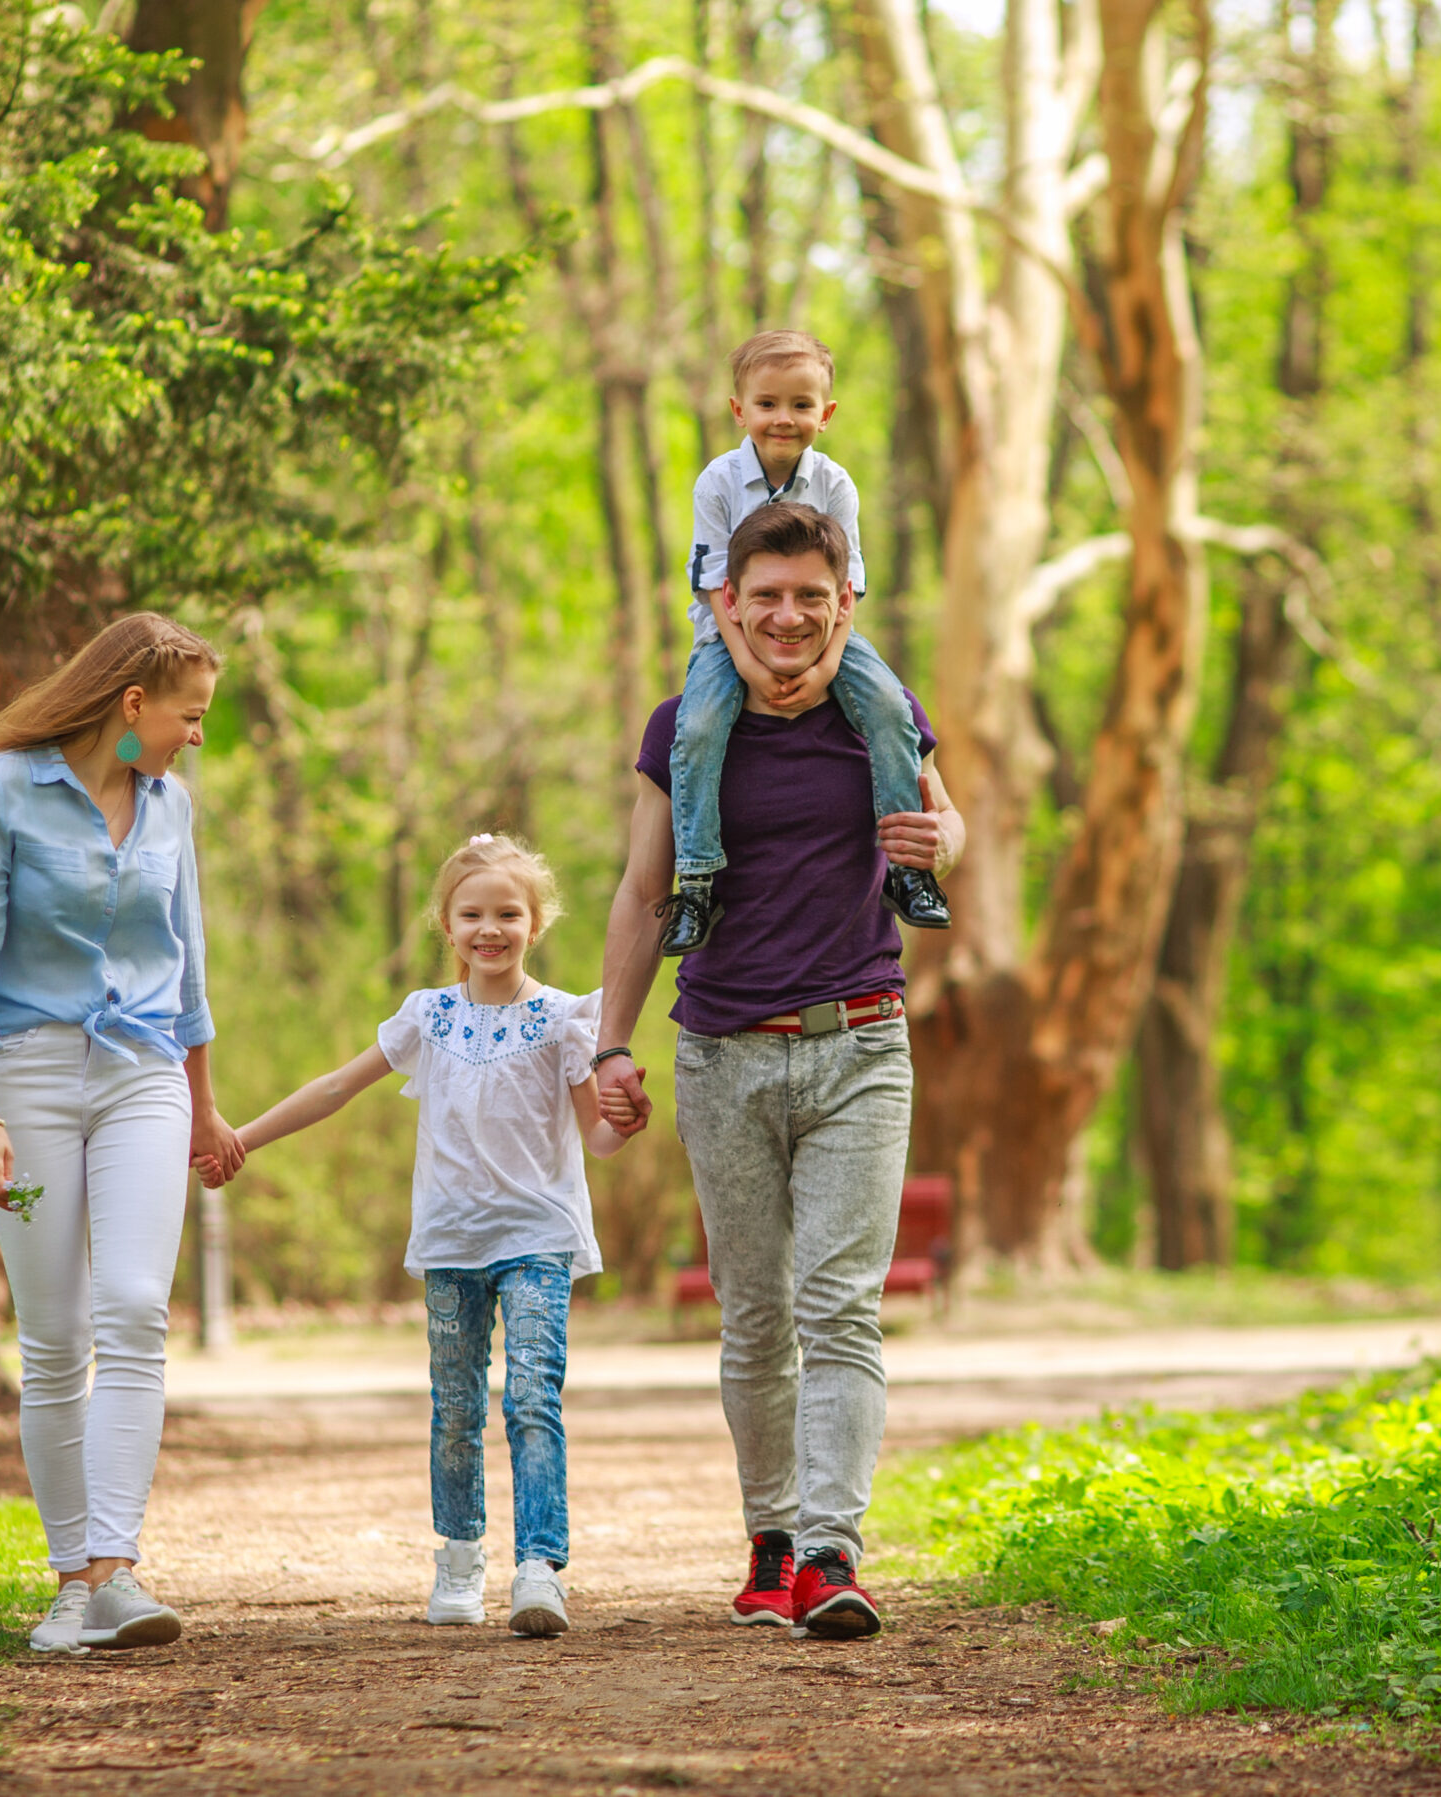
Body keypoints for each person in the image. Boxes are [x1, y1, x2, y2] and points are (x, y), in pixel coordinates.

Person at [595, 502, 965, 1641]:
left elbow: (949, 828)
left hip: (859, 1041)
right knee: (757, 1321)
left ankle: (830, 1553)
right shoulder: (683, 729)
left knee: (841, 1311)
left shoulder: (884, 714)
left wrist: (939, 843)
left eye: (812, 595)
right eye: (768, 597)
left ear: (843, 601)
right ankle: (770, 1533)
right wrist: (610, 1042)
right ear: (728, 605)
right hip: (721, 1054)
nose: (790, 616)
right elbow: (643, 891)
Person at [197, 833, 640, 1636]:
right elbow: (336, 1086)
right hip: (451, 1240)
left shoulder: (564, 1020)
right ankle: (461, 1555)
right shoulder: (427, 1018)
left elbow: (598, 1140)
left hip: (538, 1233)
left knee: (534, 1395)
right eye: (472, 913)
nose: (490, 928)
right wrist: (242, 1138)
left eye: (508, 912)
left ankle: (538, 1566)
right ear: (447, 925)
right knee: (456, 1405)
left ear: (535, 923)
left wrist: (624, 1119)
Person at [0, 612, 247, 1656]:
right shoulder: (4, 789)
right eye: (188, 716)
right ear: (131, 706)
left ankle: (115, 1569)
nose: (196, 735)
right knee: (55, 1334)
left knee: (131, 1310)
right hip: (23, 1083)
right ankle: (71, 1582)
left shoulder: (172, 810)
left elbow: (188, 968)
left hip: (143, 1080)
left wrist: (203, 1105)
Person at [659, 329, 951, 956]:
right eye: (767, 404)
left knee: (887, 705)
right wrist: (743, 662)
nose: (783, 418)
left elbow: (850, 583)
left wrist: (826, 670)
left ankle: (906, 869)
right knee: (701, 723)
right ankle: (699, 879)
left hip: (829, 634)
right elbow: (712, 581)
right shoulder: (717, 483)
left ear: (826, 413)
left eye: (800, 404)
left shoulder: (835, 484)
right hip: (729, 636)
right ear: (740, 411)